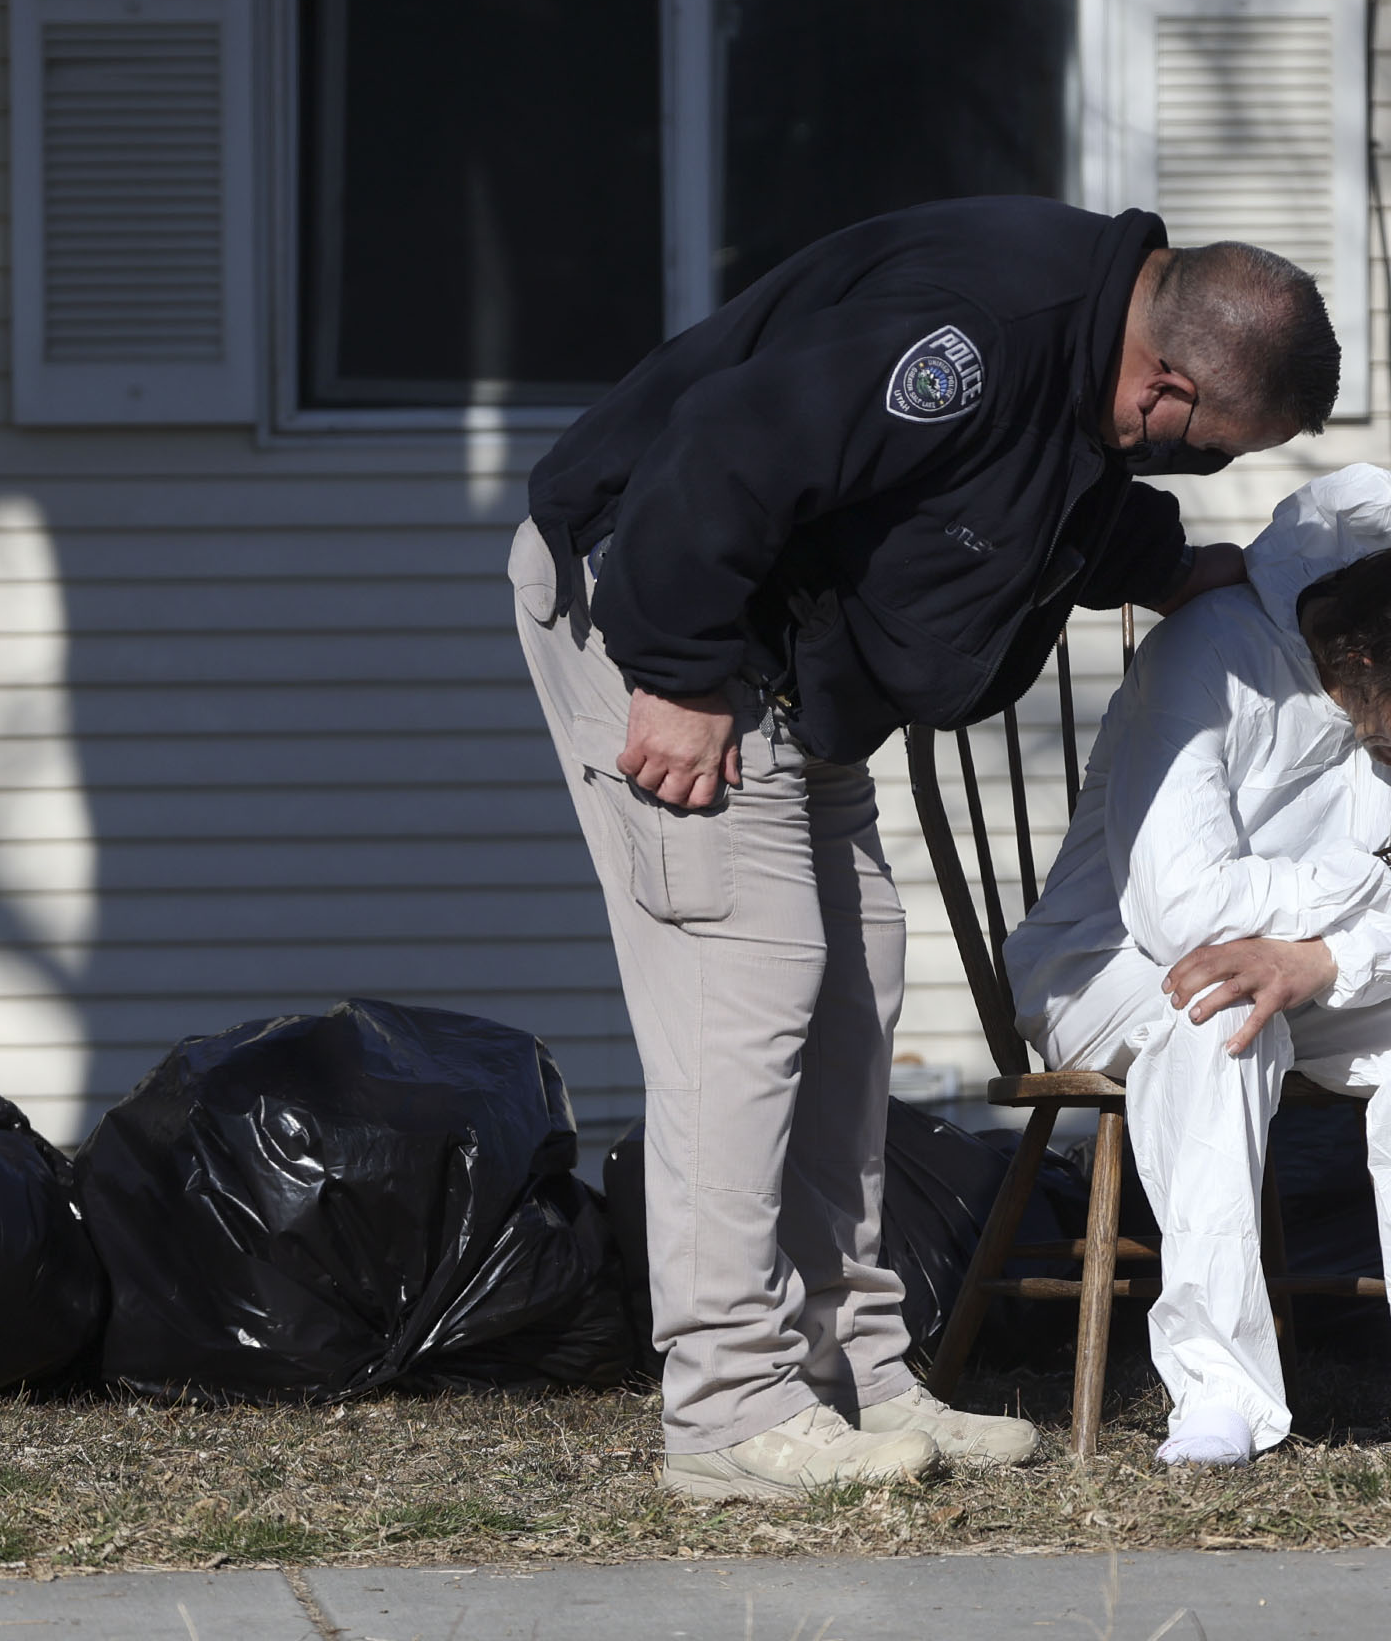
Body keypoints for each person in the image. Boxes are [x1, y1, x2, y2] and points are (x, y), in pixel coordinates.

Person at [512, 197, 1341, 1500]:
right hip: (672, 626)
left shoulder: (1083, 367)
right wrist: (674, 670)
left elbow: (1027, 492)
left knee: (854, 985)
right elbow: (726, 452)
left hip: (797, 677)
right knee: (752, 993)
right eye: (1214, 448)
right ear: (1169, 386)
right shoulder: (977, 332)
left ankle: (854, 1372)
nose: (1200, 470)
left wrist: (1163, 568)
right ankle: (730, 1406)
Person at [1006, 463, 1391, 1464]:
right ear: (1361, 657)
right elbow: (1181, 907)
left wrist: (1323, 958)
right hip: (1111, 964)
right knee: (1225, 1012)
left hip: (1322, 972)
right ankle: (1219, 1394)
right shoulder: (1211, 653)